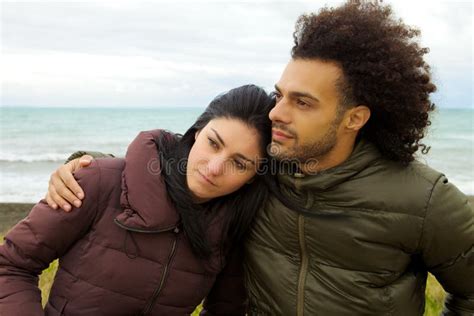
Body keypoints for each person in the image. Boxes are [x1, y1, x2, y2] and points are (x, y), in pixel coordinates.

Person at [42, 2, 474, 315]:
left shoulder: (423, 200)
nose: (276, 113)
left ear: (354, 118)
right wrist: (86, 163)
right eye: (281, 94)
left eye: (302, 103)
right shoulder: (260, 173)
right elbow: (174, 161)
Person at [0, 85, 274, 315]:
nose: (214, 168)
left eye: (239, 163)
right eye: (213, 143)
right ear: (198, 132)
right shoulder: (99, 181)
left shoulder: (232, 227)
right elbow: (12, 266)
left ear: (252, 176)